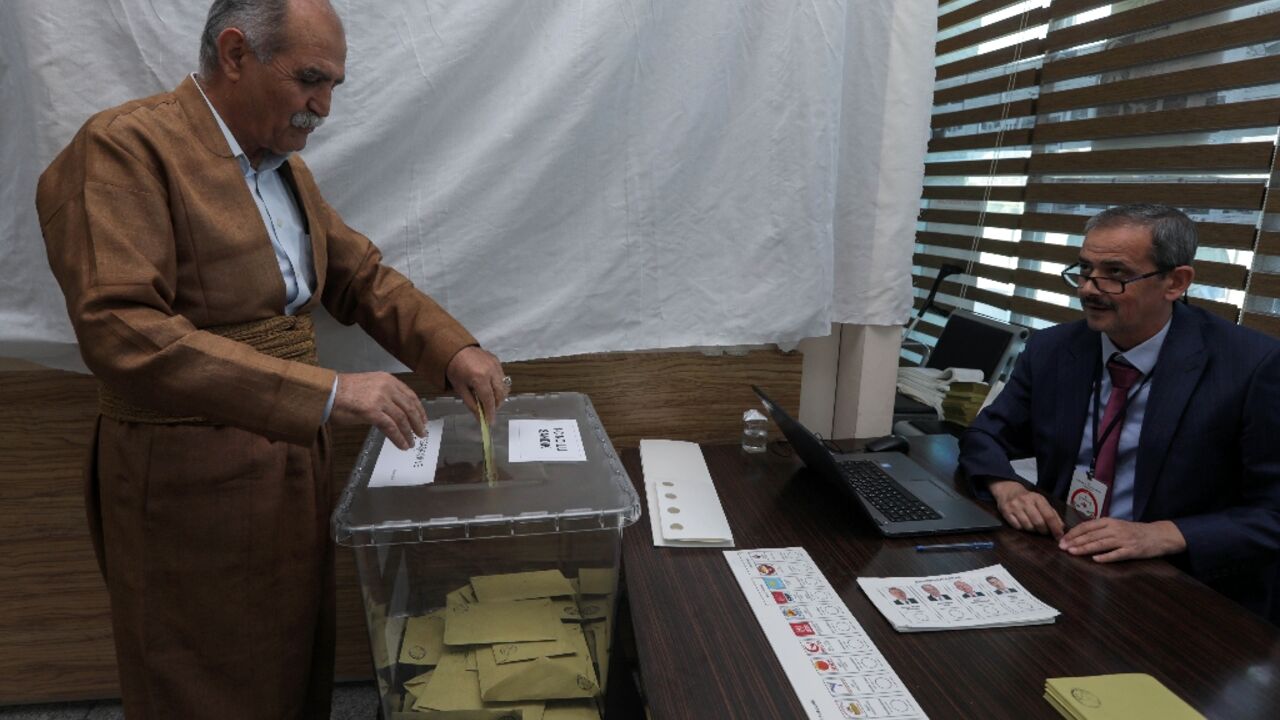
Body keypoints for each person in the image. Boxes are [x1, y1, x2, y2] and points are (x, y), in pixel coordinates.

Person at [35, 1, 507, 716]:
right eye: (309, 80)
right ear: (234, 54)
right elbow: (120, 331)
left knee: (291, 661)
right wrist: (326, 393)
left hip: (289, 461)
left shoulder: (281, 169)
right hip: (185, 475)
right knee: (202, 674)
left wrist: (454, 349)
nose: (322, 107)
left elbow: (359, 277)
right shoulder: (123, 149)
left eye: (334, 88)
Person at [960, 204, 1280, 623]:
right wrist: (1007, 487)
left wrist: (1164, 534)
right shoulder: (1054, 350)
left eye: (1115, 273)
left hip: (1183, 594)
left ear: (1175, 282)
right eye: (1085, 269)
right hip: (1062, 561)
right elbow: (986, 435)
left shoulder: (1250, 366)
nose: (1090, 289)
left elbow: (1272, 513)